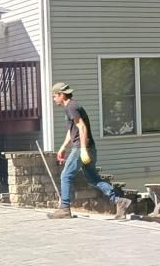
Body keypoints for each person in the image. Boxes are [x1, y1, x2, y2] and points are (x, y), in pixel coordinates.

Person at [47, 82, 131, 219]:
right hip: (88, 147)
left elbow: (82, 127)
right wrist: (63, 147)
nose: (53, 99)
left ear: (61, 95)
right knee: (93, 178)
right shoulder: (72, 106)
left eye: (54, 96)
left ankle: (65, 209)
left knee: (65, 176)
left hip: (82, 147)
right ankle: (119, 201)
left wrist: (83, 149)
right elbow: (72, 130)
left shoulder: (71, 107)